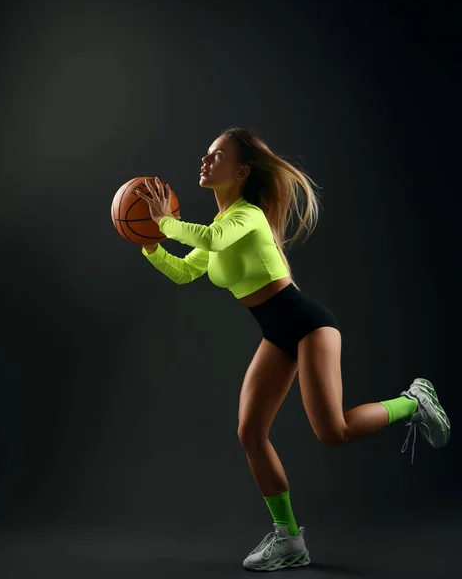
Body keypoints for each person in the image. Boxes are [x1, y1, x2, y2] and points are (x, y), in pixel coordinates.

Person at [136, 127, 450, 572]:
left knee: (332, 431)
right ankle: (289, 540)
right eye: (206, 154)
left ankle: (413, 402)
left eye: (217, 155)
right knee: (250, 431)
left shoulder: (248, 216)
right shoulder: (218, 225)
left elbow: (212, 241)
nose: (205, 161)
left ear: (241, 171)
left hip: (309, 326)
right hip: (277, 334)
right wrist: (150, 245)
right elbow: (187, 271)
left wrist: (164, 220)